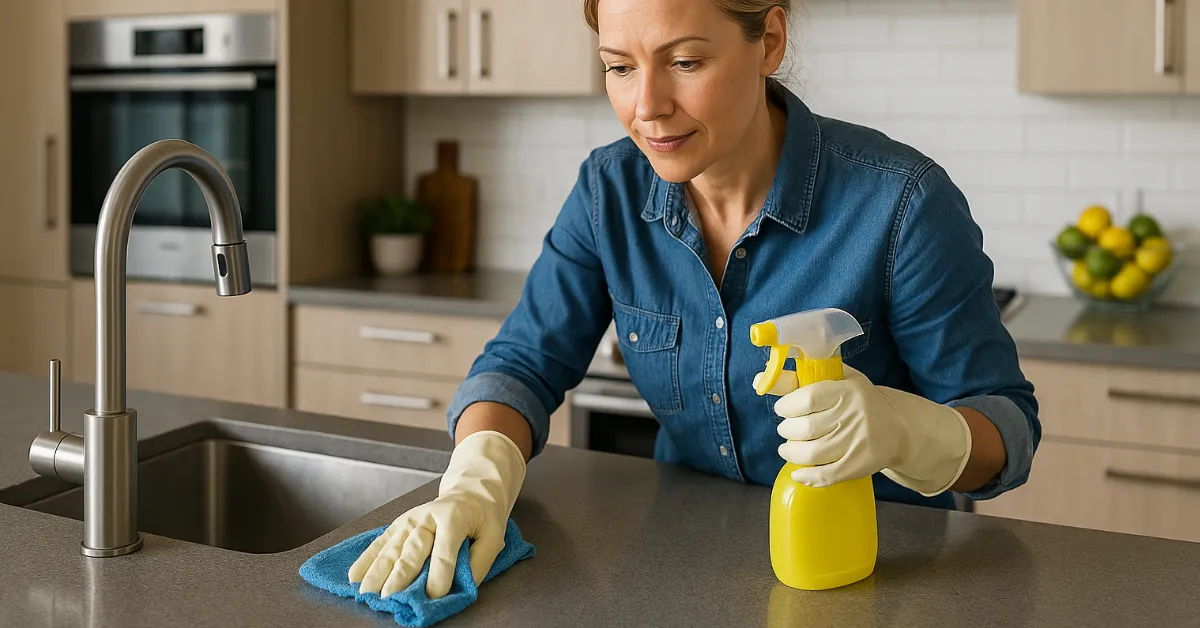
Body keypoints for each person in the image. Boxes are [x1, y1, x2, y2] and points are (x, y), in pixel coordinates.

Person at [349, 0, 1040, 600]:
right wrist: (476, 478)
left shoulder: (902, 202)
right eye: (619, 67)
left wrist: (907, 431)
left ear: (769, 41)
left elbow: (1005, 431)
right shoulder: (608, 192)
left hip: (883, 573)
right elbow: (523, 364)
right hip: (679, 564)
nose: (646, 106)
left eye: (684, 62)